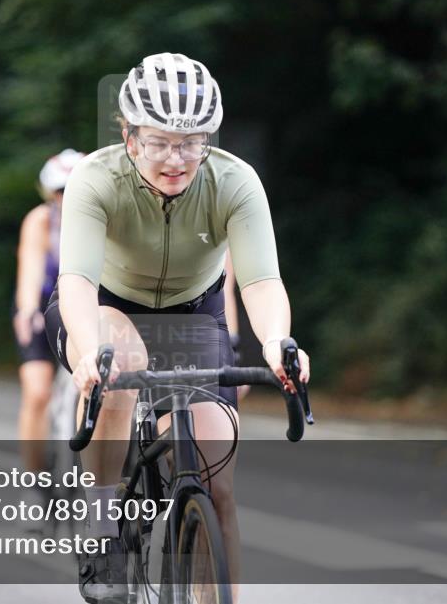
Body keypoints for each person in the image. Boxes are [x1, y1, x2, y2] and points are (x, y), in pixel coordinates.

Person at [44, 53, 310, 603]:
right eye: (160, 141)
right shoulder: (96, 178)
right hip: (107, 306)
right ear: (129, 135)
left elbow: (260, 283)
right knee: (122, 360)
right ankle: (102, 528)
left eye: (192, 142)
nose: (176, 159)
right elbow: (76, 282)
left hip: (194, 313)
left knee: (218, 483)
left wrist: (277, 343)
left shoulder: (235, 182)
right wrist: (90, 352)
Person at [13, 149, 85, 480]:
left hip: (85, 308)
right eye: (61, 191)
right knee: (37, 392)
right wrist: (28, 309)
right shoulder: (40, 220)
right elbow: (29, 271)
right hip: (43, 307)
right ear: (50, 194)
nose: (67, 198)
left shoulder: (103, 217)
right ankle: (33, 480)